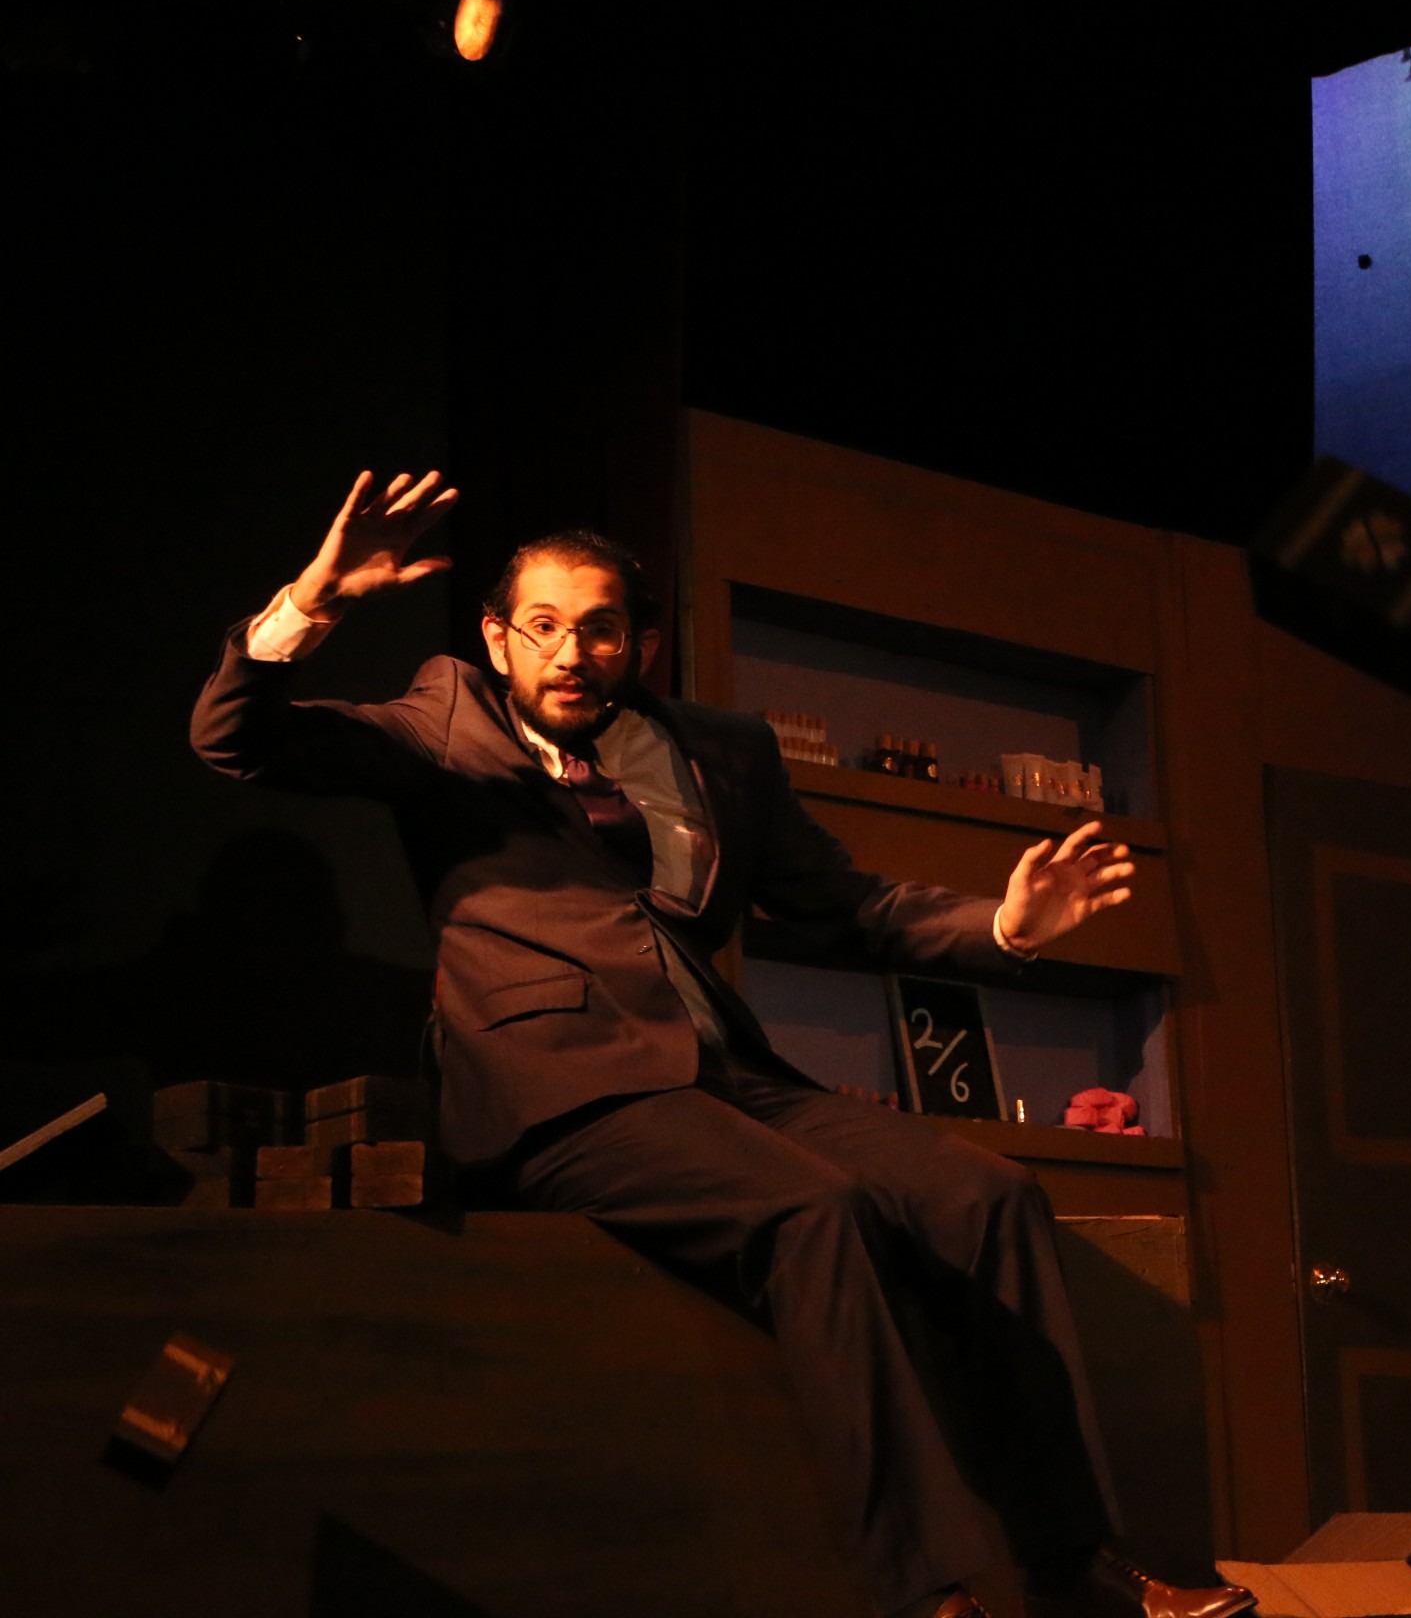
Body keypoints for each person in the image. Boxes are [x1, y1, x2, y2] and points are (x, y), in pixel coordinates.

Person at [192, 470, 1251, 1618]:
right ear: (498, 638)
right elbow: (237, 740)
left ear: (640, 644)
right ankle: (932, 1594)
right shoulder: (444, 722)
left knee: (986, 1194)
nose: (569, 653)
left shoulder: (721, 753)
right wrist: (313, 602)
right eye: (542, 626)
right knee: (816, 1211)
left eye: (600, 628)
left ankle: (1073, 1566)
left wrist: (1006, 926)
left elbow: (845, 906)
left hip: (726, 1078)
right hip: (561, 1095)